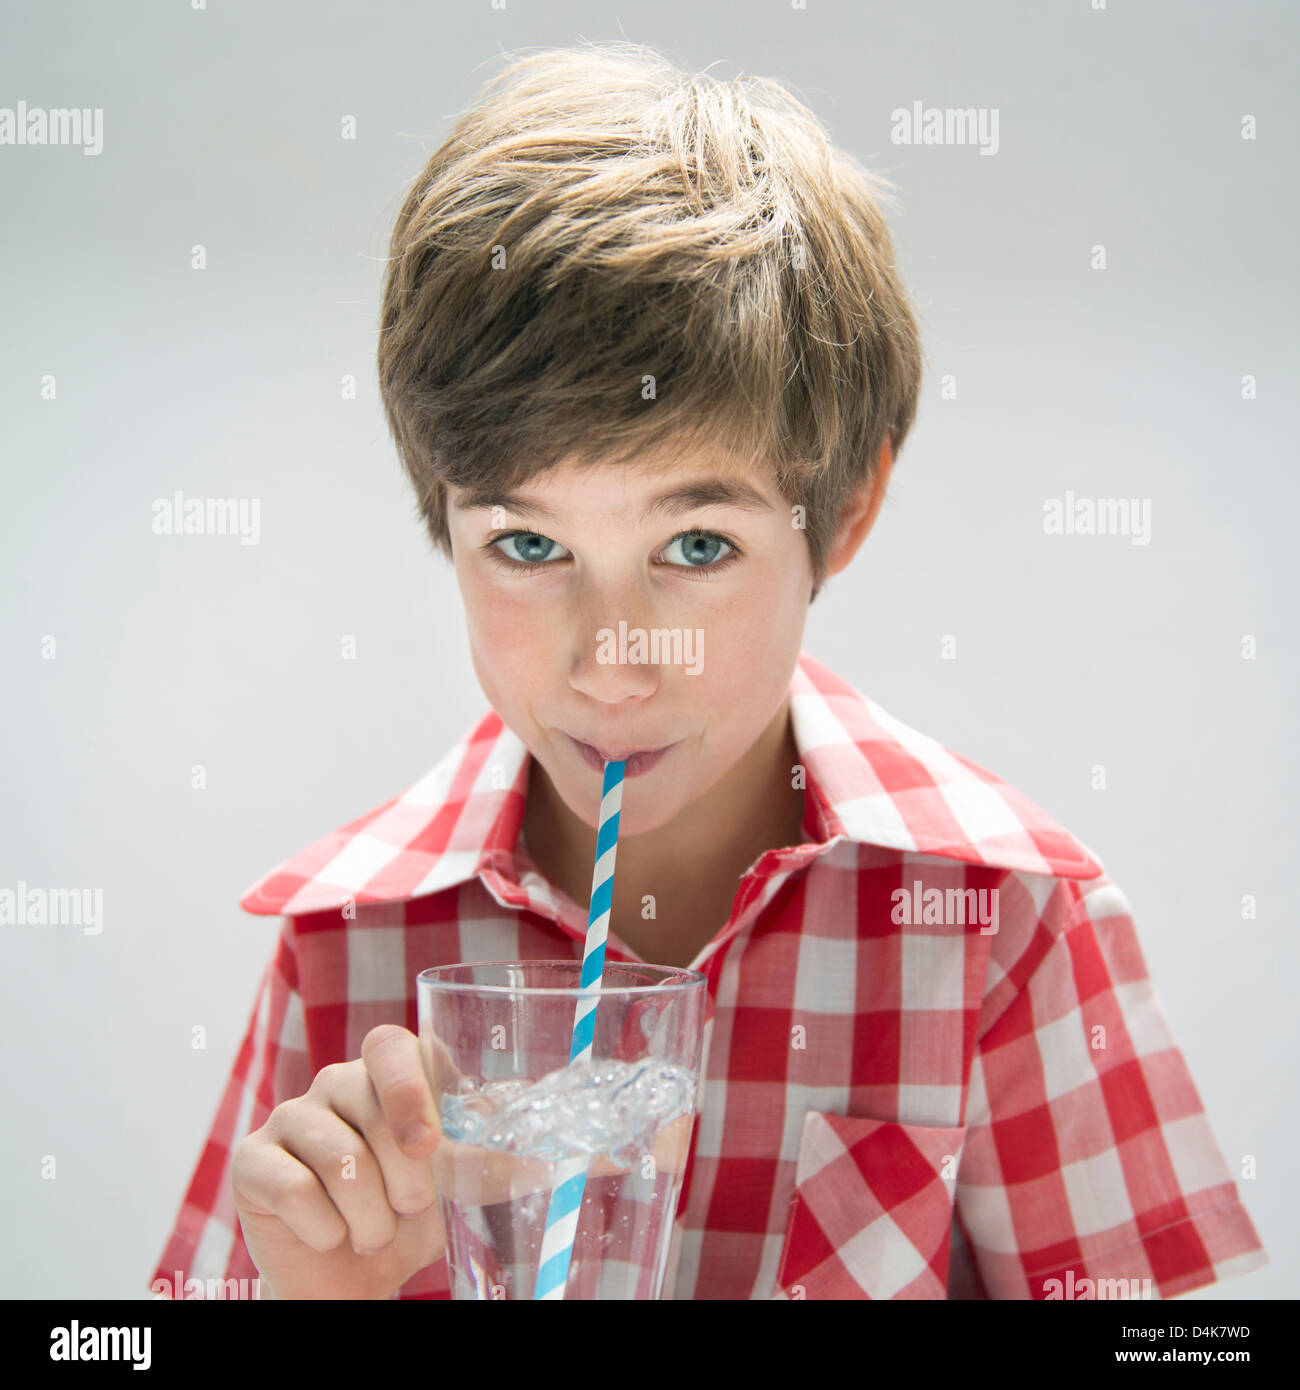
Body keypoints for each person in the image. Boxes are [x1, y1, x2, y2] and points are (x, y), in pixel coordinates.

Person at [150, 40, 1267, 1300]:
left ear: (844, 514)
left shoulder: (999, 924)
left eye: (695, 544)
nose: (611, 664)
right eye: (528, 544)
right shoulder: (344, 945)